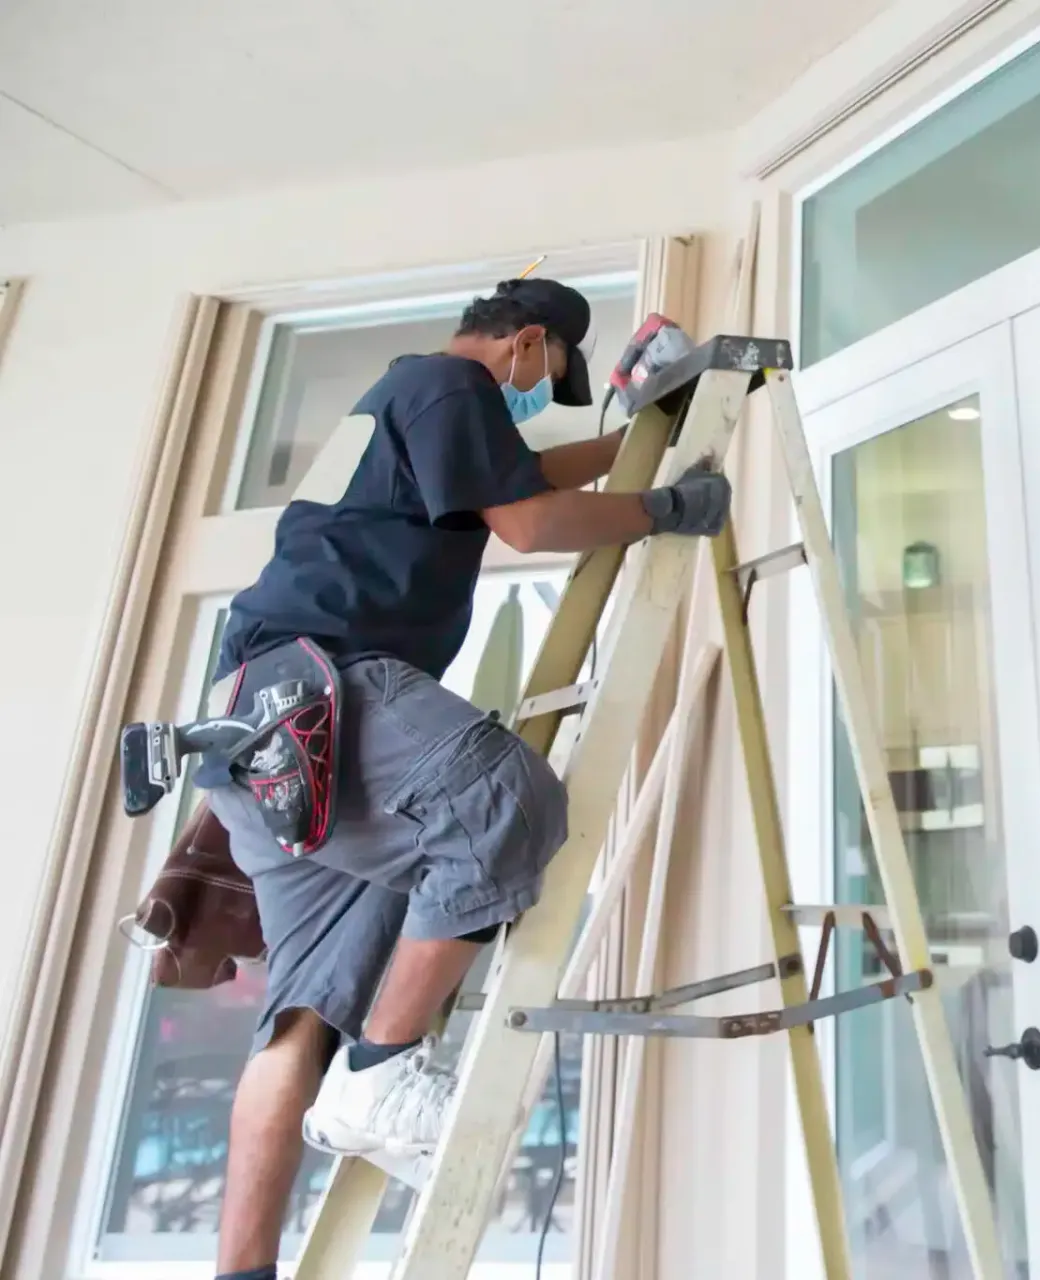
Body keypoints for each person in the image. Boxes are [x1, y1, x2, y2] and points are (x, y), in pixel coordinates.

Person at [202, 278, 729, 1280]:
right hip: (320, 698)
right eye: (548, 372)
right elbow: (526, 521)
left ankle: (243, 1271)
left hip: (259, 730)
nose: (538, 392)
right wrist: (659, 511)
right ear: (527, 341)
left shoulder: (406, 401)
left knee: (300, 1017)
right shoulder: (450, 384)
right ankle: (381, 1072)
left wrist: (642, 435)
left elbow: (532, 475)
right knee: (505, 802)